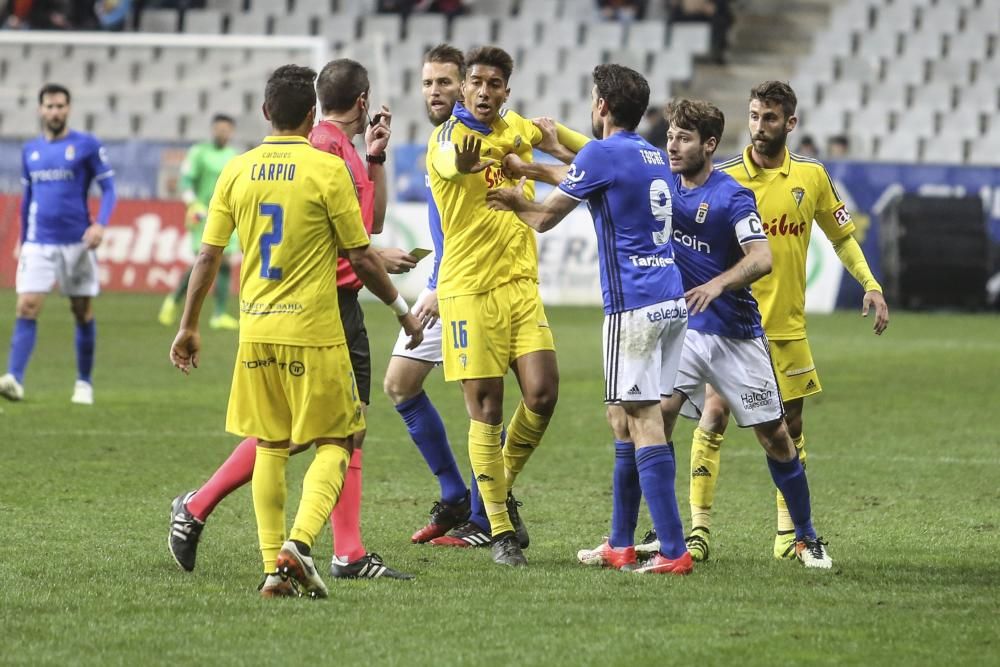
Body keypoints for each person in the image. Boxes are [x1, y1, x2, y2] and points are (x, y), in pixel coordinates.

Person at [168, 64, 423, 598]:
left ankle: (271, 565)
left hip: (256, 329)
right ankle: (301, 545)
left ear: (264, 112)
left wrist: (189, 325)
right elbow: (360, 250)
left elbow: (208, 255)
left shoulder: (236, 170)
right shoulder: (324, 165)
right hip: (316, 325)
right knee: (338, 437)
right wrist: (402, 310)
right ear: (310, 114)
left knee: (272, 444)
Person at [645, 81, 887, 563]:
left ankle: (791, 535)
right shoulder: (726, 177)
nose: (759, 126)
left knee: (785, 430)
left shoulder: (812, 176)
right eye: (754, 116)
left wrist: (871, 283)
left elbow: (841, 236)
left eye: (770, 118)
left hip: (784, 326)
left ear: (789, 123)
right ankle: (694, 531)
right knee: (708, 417)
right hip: (720, 325)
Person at [487, 63, 693, 575]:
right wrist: (545, 159)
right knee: (623, 418)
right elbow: (591, 176)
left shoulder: (603, 153)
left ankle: (673, 550)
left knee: (641, 419)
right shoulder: (650, 153)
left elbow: (543, 218)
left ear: (601, 105)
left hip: (635, 305)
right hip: (669, 300)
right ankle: (620, 543)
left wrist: (515, 199)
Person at [425, 45, 588, 567]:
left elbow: (588, 152)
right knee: (488, 408)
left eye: (494, 84)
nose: (484, 91)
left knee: (542, 394)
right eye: (475, 82)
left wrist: (567, 139)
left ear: (505, 91)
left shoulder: (515, 126)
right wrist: (473, 161)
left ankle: (495, 490)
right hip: (469, 291)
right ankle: (497, 528)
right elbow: (452, 164)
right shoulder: (448, 138)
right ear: (463, 86)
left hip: (520, 285)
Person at [656, 98, 831, 569]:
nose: (672, 145)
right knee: (657, 418)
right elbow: (601, 159)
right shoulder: (662, 183)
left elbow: (762, 258)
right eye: (670, 136)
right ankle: (665, 533)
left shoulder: (732, 195)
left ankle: (806, 536)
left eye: (684, 138)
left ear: (709, 145)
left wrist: (716, 283)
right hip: (687, 331)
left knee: (776, 437)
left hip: (736, 334)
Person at [381, 44, 489, 547]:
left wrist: (444, 284)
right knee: (401, 383)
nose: (434, 91)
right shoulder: (441, 135)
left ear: (465, 84)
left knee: (480, 404)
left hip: (473, 286)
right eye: (427, 83)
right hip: (445, 281)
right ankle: (456, 495)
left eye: (444, 82)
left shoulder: (469, 136)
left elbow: (468, 193)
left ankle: (490, 519)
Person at [0, 83, 116, 405]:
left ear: (68, 109)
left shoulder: (86, 145)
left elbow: (109, 190)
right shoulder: (30, 151)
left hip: (77, 243)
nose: (55, 112)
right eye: (49, 106)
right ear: (40, 110)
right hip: (39, 242)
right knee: (26, 306)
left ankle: (83, 383)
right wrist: (23, 239)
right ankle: (15, 379)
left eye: (60, 106)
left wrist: (100, 224)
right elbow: (28, 198)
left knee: (81, 310)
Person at [158, 113, 240, 330]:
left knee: (227, 261)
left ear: (231, 132)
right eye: (219, 129)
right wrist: (193, 204)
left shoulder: (233, 156)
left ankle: (219, 314)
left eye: (226, 129)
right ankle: (173, 300)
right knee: (203, 260)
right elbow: (186, 181)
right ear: (213, 130)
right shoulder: (199, 152)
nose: (223, 133)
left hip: (227, 214)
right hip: (203, 214)